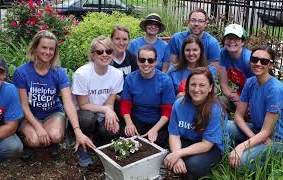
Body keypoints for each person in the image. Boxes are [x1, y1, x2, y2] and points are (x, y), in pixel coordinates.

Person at [13, 30, 95, 161]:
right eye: (44, 47)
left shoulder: (59, 72)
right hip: (30, 115)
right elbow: (23, 105)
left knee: (55, 136)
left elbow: (68, 103)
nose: (48, 52)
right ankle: (27, 142)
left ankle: (53, 141)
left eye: (51, 49)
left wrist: (77, 130)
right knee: (34, 140)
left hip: (53, 113)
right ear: (35, 47)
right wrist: (38, 127)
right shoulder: (22, 72)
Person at [164, 67, 227, 179]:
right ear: (187, 87)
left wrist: (178, 154)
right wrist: (177, 157)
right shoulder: (179, 104)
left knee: (193, 165)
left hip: (211, 147)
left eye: (202, 85)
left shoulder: (215, 109)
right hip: (188, 140)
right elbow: (174, 135)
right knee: (167, 157)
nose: (196, 89)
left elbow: (206, 144)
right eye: (193, 85)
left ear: (210, 87)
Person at [228, 46, 283, 170]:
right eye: (254, 59)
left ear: (271, 65)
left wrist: (241, 147)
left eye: (264, 61)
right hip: (257, 131)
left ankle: (271, 164)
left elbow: (266, 132)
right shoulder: (250, 82)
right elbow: (238, 116)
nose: (258, 63)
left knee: (240, 162)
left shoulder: (275, 90)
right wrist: (252, 136)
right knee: (224, 126)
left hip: (274, 140)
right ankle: (246, 150)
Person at [72, 35, 123, 167]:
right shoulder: (82, 74)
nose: (105, 55)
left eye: (109, 51)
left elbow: (110, 102)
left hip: (101, 112)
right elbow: (83, 105)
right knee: (88, 118)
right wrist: (106, 110)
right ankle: (83, 148)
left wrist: (110, 114)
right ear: (93, 55)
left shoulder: (117, 74)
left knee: (113, 129)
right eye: (100, 52)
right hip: (84, 113)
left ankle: (99, 140)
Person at [120, 45, 175, 148]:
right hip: (137, 118)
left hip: (158, 121)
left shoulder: (165, 81)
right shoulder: (130, 79)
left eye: (150, 60)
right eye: (142, 60)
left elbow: (168, 110)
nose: (146, 64)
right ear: (137, 61)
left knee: (157, 143)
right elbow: (125, 104)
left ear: (156, 62)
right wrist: (129, 123)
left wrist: (155, 129)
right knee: (127, 139)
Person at [219, 24, 254, 113]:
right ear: (224, 41)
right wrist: (235, 98)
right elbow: (224, 85)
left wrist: (242, 102)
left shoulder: (248, 59)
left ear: (242, 42)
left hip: (256, 97)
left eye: (236, 39)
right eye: (228, 38)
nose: (232, 41)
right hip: (240, 95)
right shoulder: (223, 53)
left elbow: (260, 87)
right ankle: (225, 125)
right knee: (218, 102)